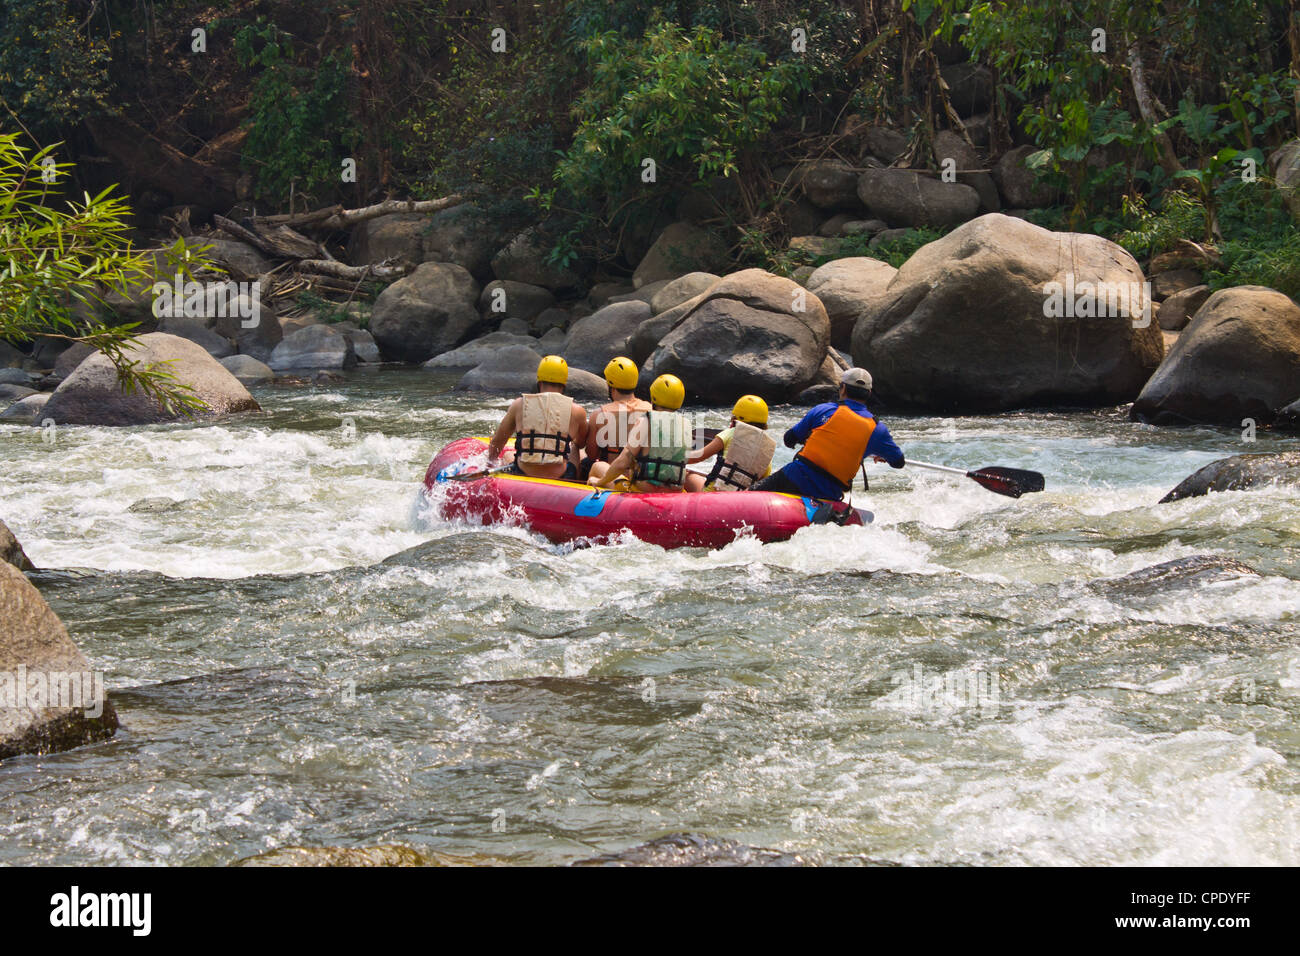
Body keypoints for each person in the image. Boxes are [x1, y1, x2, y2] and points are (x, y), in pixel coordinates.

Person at [750, 367, 903, 500]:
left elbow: (789, 439)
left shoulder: (823, 410)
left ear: (842, 388)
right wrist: (878, 453)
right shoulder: (877, 429)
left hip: (794, 478)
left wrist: (810, 437)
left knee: (749, 495)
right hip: (828, 494)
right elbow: (898, 462)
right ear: (869, 394)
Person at [485, 354, 588, 481]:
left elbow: (498, 441)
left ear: (539, 382)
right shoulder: (577, 411)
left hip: (523, 472)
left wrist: (490, 463)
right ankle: (577, 484)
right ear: (564, 385)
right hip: (561, 476)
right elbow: (582, 443)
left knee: (507, 455)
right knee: (574, 448)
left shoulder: (519, 404)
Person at [589, 374, 690, 492]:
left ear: (654, 397)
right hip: (674, 492)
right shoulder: (686, 424)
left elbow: (622, 462)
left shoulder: (645, 421)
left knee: (597, 466)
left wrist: (600, 482)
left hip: (642, 492)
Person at [684, 394, 775, 492]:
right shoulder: (766, 450)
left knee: (687, 475)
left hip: (711, 495)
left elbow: (697, 457)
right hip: (739, 502)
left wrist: (674, 458)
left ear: (735, 420)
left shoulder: (731, 433)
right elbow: (761, 484)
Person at [581, 356, 652, 480]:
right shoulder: (651, 410)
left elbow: (592, 455)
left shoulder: (599, 414)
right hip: (641, 479)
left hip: (610, 478)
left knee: (582, 458)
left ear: (610, 385)